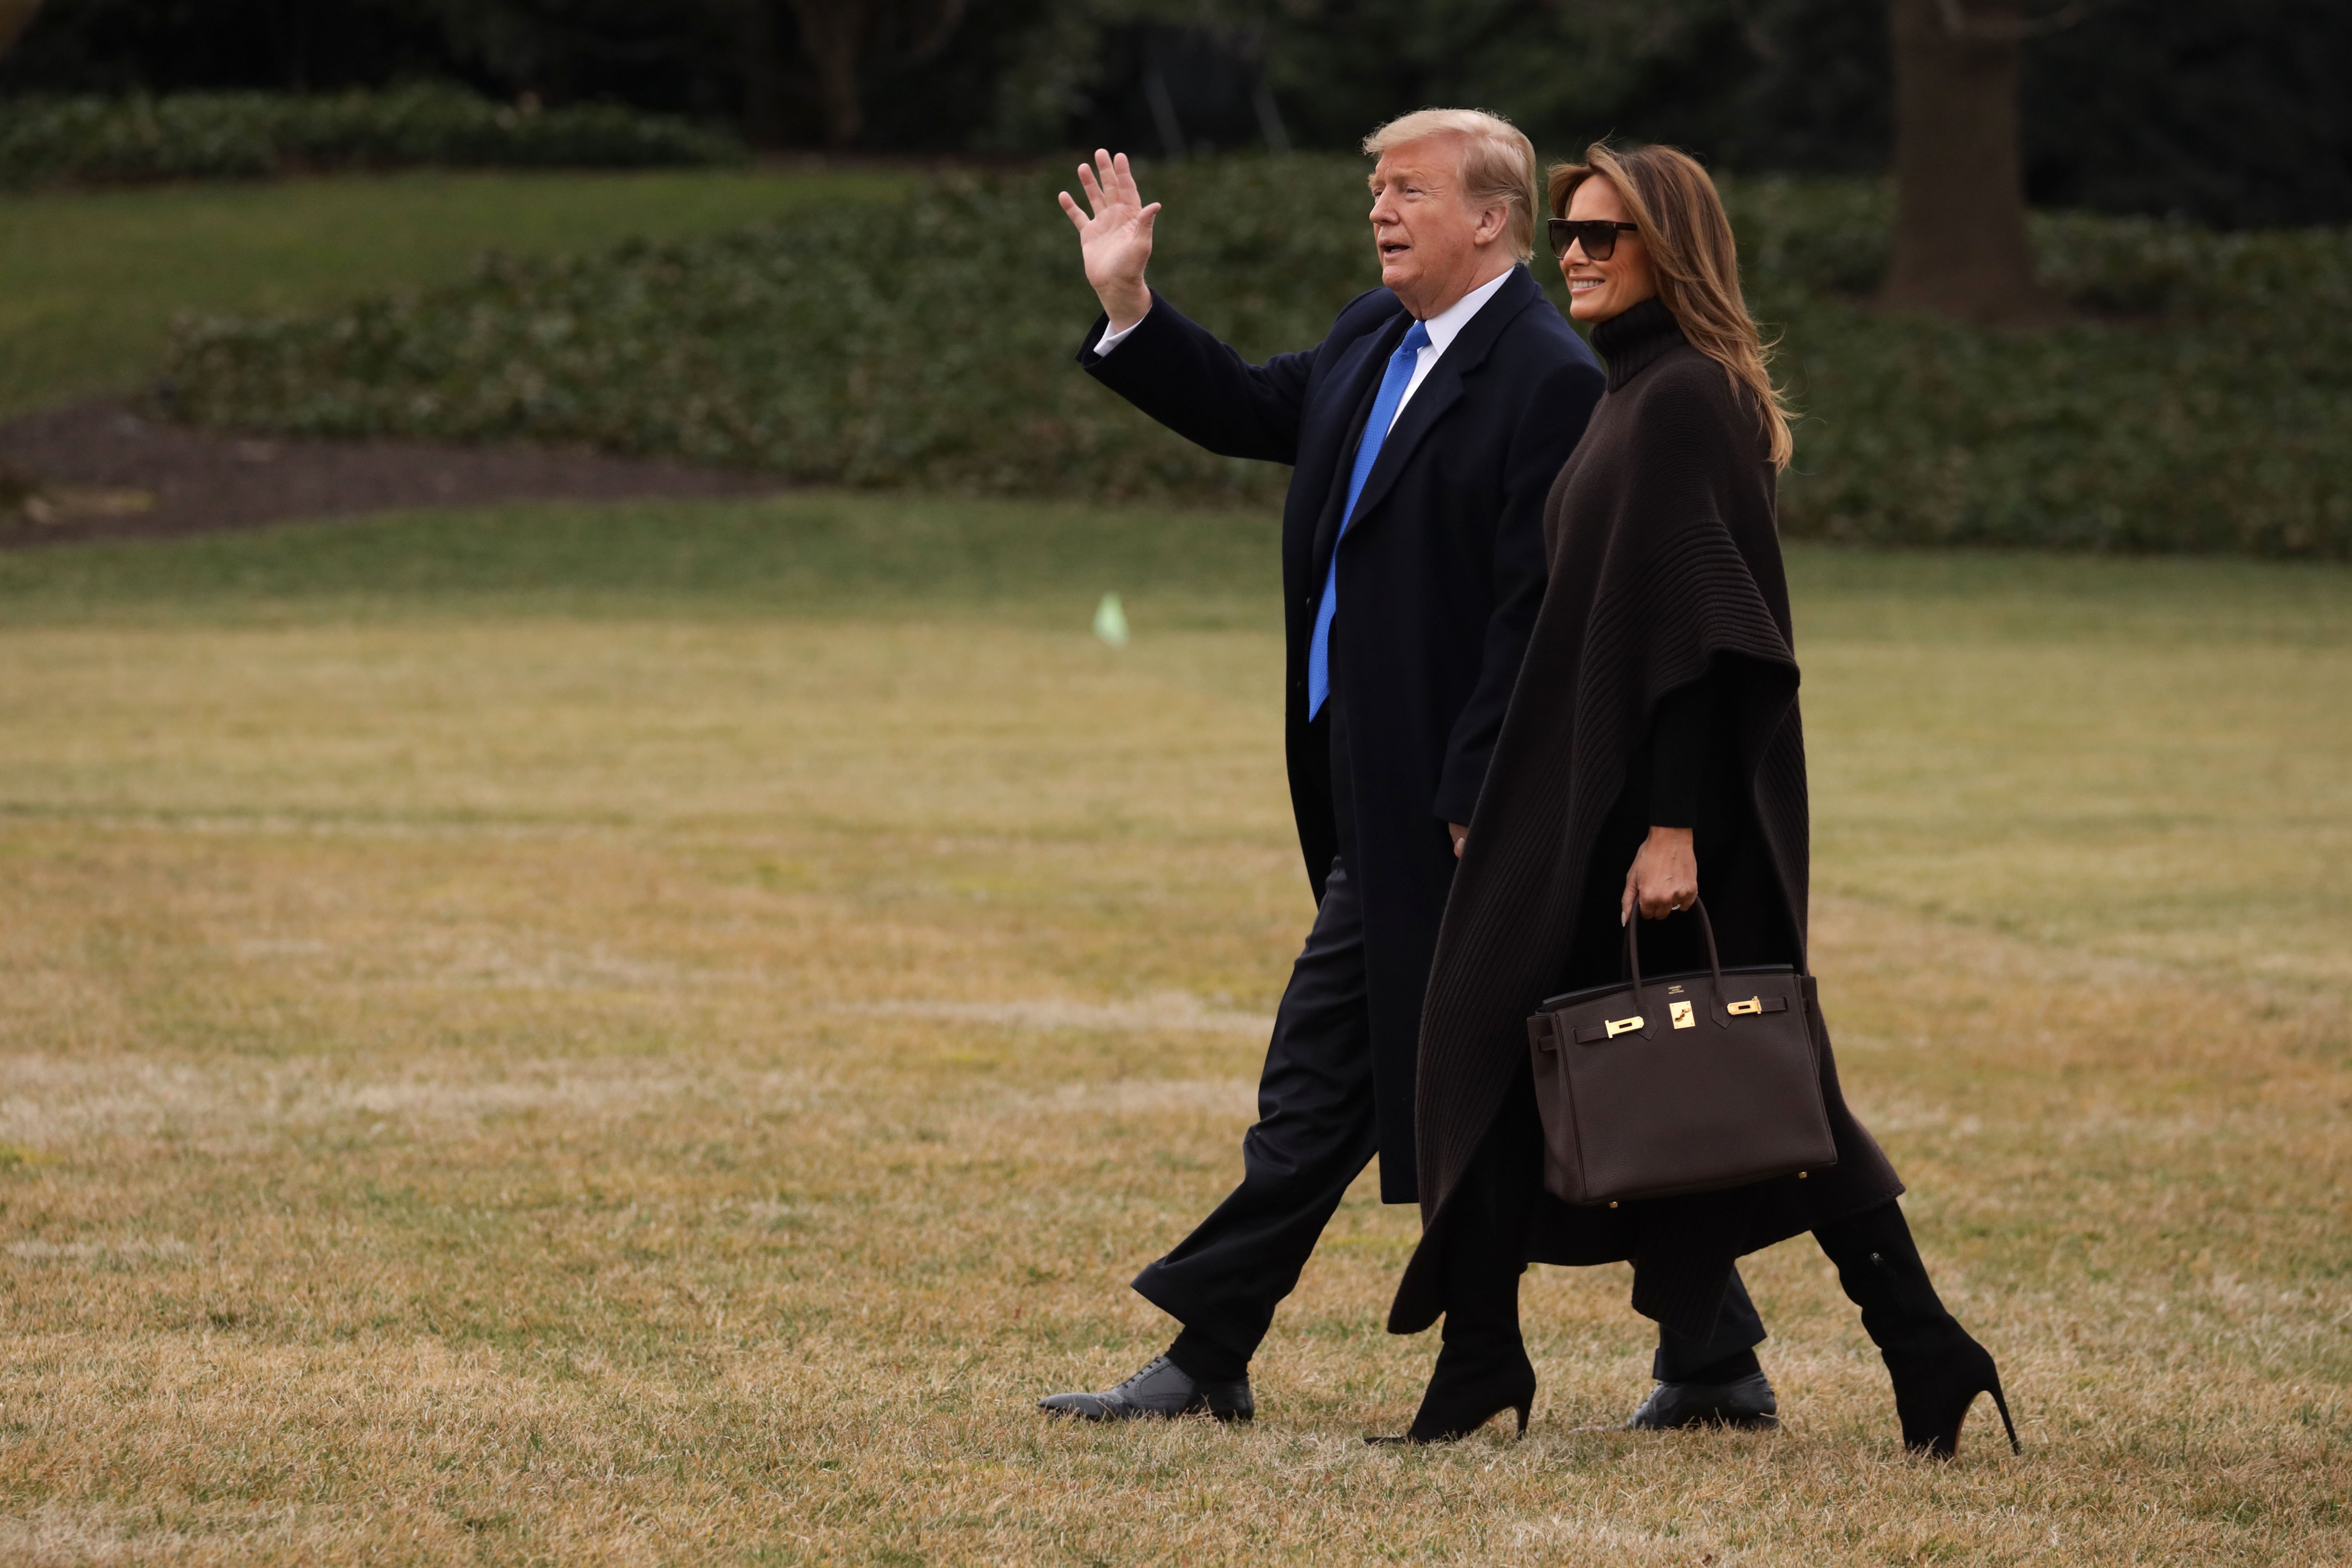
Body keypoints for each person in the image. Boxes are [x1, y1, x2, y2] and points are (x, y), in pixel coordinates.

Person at [1380, 143, 2019, 1459]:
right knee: (1608, 1066)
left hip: (1661, 819)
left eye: (1604, 237)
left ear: (1670, 249)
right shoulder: (1637, 390)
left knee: (1757, 1094)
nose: (1574, 255)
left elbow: (1704, 634)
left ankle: (1917, 1347)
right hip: (1593, 801)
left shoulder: (1683, 401)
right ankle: (1494, 1357)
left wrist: (1670, 828)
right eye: (1567, 232)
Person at [1035, 111, 1606, 1422]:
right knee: (1457, 1075)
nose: (1382, 213)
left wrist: (1475, 796)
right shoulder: (1371, 335)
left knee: (1340, 1074)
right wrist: (1131, 305)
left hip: (1453, 808)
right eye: (1375, 191)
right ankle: (1706, 1343)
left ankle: (1210, 1349)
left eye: (1411, 191)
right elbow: (1250, 404)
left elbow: (1537, 611)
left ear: (1494, 220)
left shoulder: (1546, 374)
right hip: (1363, 777)